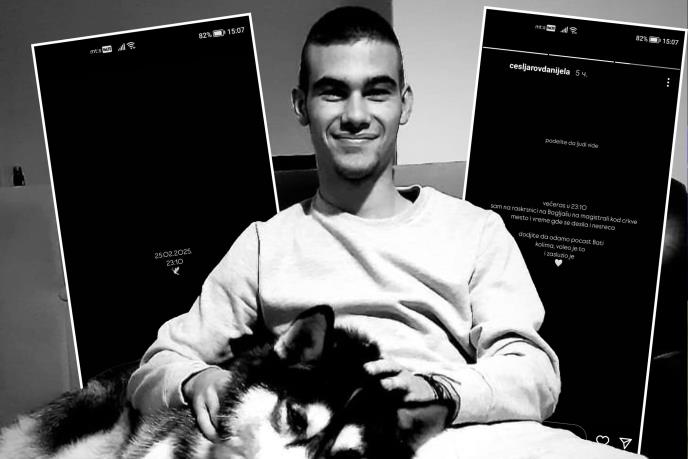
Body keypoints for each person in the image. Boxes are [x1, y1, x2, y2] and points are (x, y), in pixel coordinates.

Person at [127, 7, 642, 458]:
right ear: (301, 105)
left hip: (452, 433)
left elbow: (534, 375)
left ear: (404, 104)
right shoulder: (265, 244)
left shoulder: (475, 229)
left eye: (376, 91)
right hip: (313, 440)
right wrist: (196, 378)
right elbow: (156, 365)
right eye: (333, 92)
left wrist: (440, 390)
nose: (356, 115)